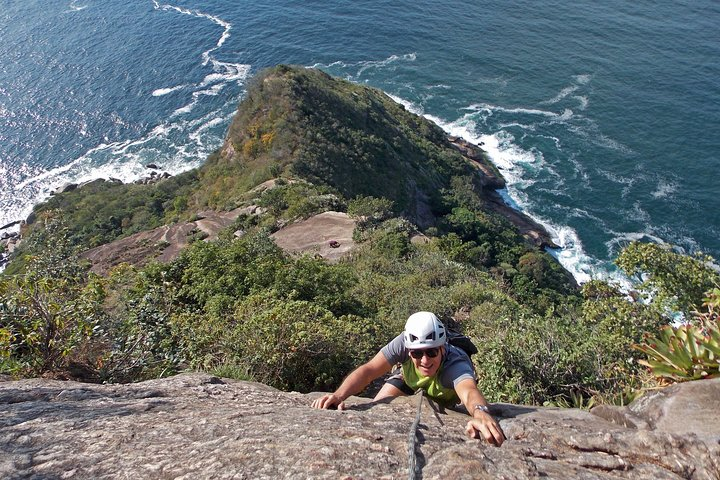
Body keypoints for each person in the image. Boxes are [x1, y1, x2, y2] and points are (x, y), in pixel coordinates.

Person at [311, 311, 505, 446]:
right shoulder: (402, 344)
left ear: (442, 349)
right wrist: (339, 395)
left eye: (431, 352)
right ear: (409, 351)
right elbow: (369, 370)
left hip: (443, 393)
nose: (425, 360)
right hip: (408, 380)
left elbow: (469, 391)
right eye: (417, 354)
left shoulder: (455, 364)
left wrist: (481, 413)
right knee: (378, 410)